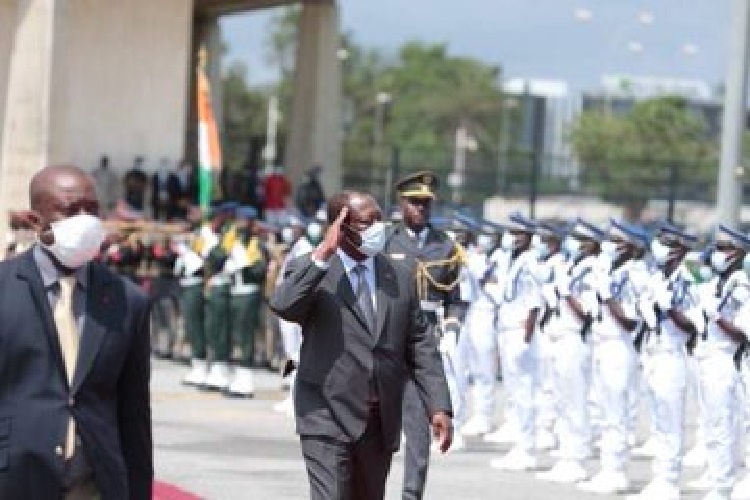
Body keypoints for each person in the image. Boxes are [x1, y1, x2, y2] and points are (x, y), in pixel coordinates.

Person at [270, 191, 452, 499]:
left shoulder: (399, 274)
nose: (378, 229)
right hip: (326, 413)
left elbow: (421, 344)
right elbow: (284, 304)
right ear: (341, 228)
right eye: (367, 223)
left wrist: (439, 406)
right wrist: (324, 254)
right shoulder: (312, 270)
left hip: (378, 420)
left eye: (379, 220)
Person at [0, 165, 152, 498]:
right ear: (35, 220)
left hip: (94, 481)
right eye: (70, 210)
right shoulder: (4, 288)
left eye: (92, 209)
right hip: (16, 477)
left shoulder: (128, 300)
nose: (85, 220)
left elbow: (134, 411)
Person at [383, 171, 467, 500]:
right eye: (414, 203)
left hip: (426, 341)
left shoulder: (445, 245)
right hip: (390, 340)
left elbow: (457, 299)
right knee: (380, 430)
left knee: (419, 429)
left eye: (426, 204)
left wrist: (452, 326)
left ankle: (411, 495)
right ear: (401, 204)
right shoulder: (388, 243)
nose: (421, 209)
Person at [627, 223, 702, 500]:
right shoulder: (658, 277)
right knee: (658, 422)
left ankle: (669, 481)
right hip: (653, 355)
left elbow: (694, 325)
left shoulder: (687, 279)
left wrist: (668, 308)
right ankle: (660, 479)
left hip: (672, 357)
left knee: (670, 423)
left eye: (667, 243)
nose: (659, 247)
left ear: (680, 249)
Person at [578, 219, 651, 495]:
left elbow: (630, 321)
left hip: (620, 347)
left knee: (617, 412)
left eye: (619, 242)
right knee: (605, 410)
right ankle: (608, 468)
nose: (612, 246)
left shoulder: (636, 275)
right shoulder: (613, 270)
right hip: (603, 344)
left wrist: (606, 296)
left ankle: (617, 471)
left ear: (633, 247)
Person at [536, 218, 604, 484]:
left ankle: (576, 459)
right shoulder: (575, 266)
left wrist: (565, 294)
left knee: (576, 403)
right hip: (560, 338)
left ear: (593, 244)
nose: (575, 243)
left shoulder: (594, 269)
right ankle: (566, 456)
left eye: (581, 239)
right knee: (563, 401)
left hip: (576, 339)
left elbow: (587, 313)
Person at [692, 225, 750, 500]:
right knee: (715, 425)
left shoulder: (740, 283)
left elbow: (742, 333)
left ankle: (723, 487)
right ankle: (719, 482)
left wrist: (716, 317)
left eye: (724, 248)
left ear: (737, 252)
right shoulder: (723, 282)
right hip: (710, 358)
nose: (717, 253)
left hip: (727, 360)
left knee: (725, 426)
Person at [487, 213, 544, 472]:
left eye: (520, 234)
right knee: (513, 391)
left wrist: (526, 338)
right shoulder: (512, 260)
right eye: (513, 233)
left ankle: (527, 448)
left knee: (524, 392)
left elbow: (533, 304)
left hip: (521, 332)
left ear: (530, 237)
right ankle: (520, 445)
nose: (514, 238)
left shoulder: (530, 262)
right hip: (507, 329)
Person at [225, 206, 269, 397]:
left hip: (248, 293)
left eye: (244, 221)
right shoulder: (235, 241)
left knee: (246, 337)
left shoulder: (255, 244)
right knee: (237, 335)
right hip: (235, 292)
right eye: (238, 220)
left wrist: (245, 264)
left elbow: (260, 271)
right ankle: (239, 376)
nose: (240, 224)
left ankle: (246, 379)